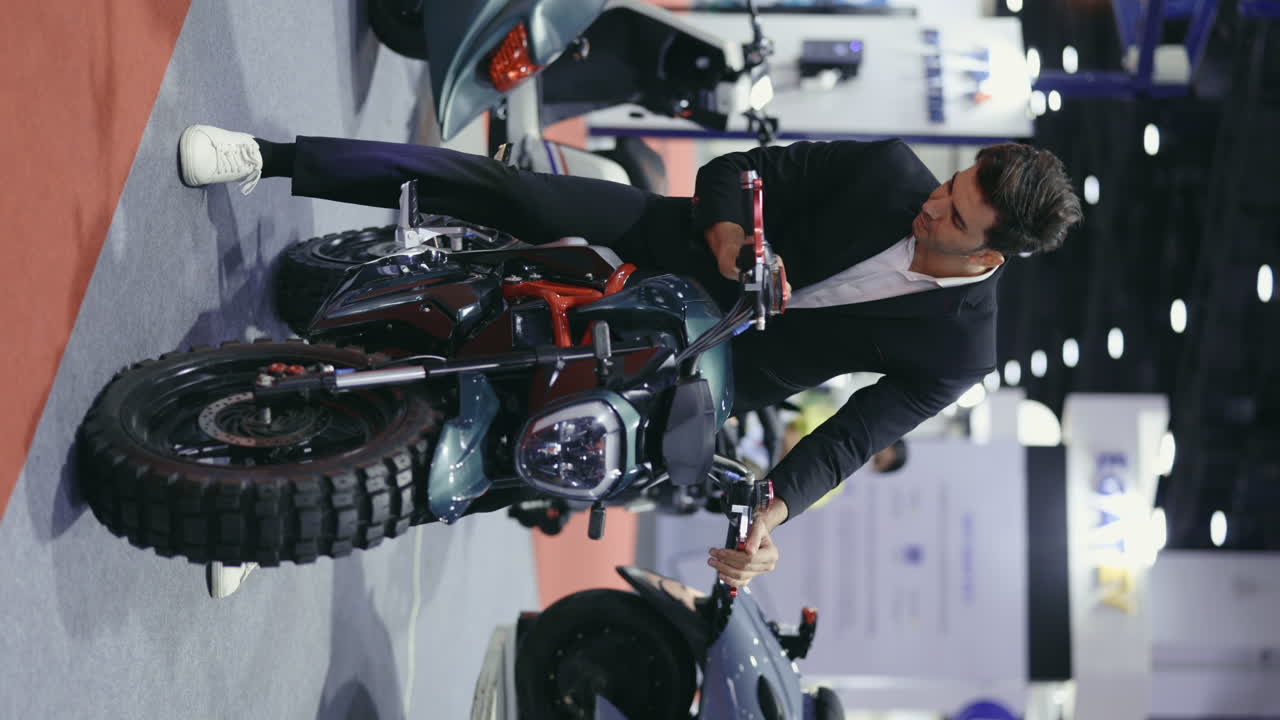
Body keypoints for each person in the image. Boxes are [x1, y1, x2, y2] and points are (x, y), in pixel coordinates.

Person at [178, 124, 1082, 591]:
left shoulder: (966, 346)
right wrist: (731, 243)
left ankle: (274, 500)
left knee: (516, 471)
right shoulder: (891, 170)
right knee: (501, 188)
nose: (932, 208)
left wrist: (768, 515)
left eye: (955, 218)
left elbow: (851, 438)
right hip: (673, 250)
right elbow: (740, 169)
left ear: (995, 254)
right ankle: (271, 154)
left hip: (713, 376)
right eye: (952, 188)